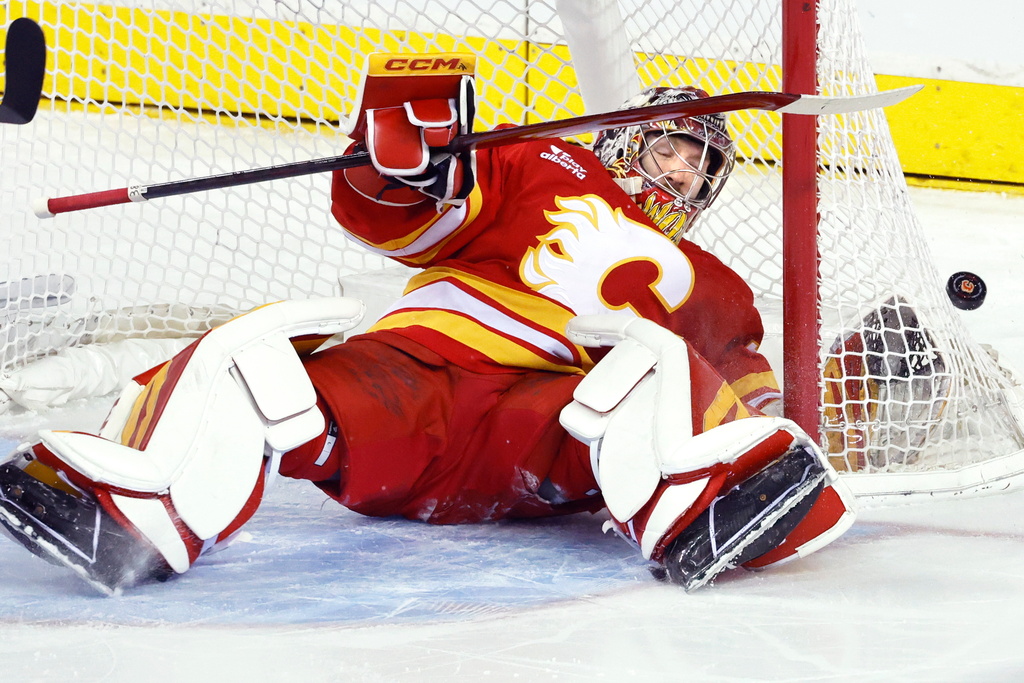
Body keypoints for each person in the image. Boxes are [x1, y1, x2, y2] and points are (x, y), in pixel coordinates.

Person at [0, 54, 855, 594]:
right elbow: (412, 219)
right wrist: (408, 168)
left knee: (649, 369)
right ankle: (137, 518)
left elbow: (743, 396)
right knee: (249, 352)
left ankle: (702, 518)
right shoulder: (545, 162)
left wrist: (776, 449)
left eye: (703, 166)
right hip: (399, 387)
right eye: (672, 147)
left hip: (547, 431)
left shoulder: (714, 285)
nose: (683, 173)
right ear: (631, 139)